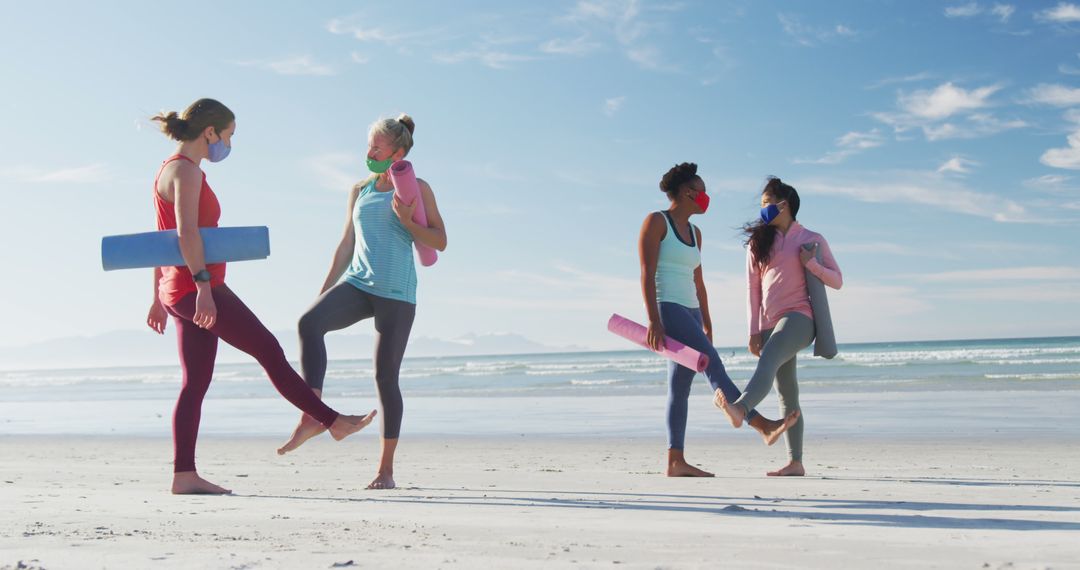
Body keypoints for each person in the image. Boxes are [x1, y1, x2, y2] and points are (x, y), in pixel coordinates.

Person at [145, 99, 376, 495]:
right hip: (197, 289)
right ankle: (330, 421)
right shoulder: (186, 171)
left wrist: (156, 296)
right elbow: (184, 236)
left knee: (195, 383)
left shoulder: (173, 168)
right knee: (268, 349)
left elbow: (160, 241)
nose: (228, 144)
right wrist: (202, 288)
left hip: (177, 289)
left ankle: (184, 475)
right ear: (210, 133)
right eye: (228, 135)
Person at [277, 114, 447, 491]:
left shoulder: (417, 188)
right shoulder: (360, 189)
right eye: (368, 145)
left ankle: (385, 470)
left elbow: (439, 241)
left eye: (376, 147)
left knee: (385, 378)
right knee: (309, 322)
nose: (368, 152)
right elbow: (346, 244)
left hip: (397, 293)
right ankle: (313, 415)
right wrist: (324, 291)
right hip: (358, 283)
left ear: (397, 153)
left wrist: (408, 221)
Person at [638, 163, 797, 478]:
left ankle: (675, 461)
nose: (706, 197)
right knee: (712, 363)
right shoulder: (656, 222)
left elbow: (699, 282)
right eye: (702, 190)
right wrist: (654, 321)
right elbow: (646, 274)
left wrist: (706, 322)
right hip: (668, 308)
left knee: (679, 386)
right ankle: (760, 424)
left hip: (691, 312)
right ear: (688, 193)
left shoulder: (696, 233)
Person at [715, 177, 843, 476]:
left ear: (785, 204)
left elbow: (837, 280)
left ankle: (741, 409)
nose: (763, 210)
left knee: (770, 360)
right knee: (786, 390)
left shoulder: (811, 239)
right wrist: (754, 330)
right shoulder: (758, 243)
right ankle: (795, 462)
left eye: (767, 204)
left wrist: (811, 263)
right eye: (761, 205)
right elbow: (753, 290)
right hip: (770, 323)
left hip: (800, 317)